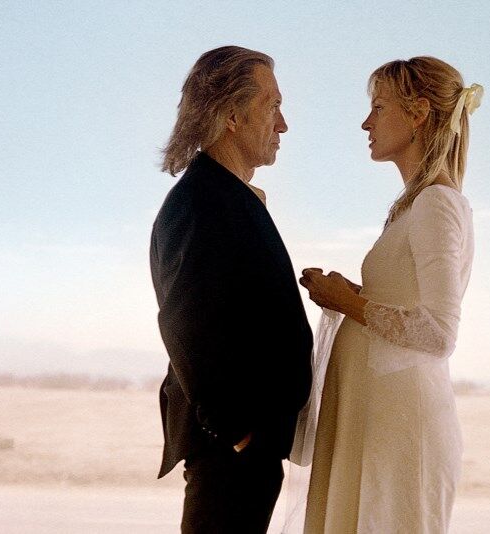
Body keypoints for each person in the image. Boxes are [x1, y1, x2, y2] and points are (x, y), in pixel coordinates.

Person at [298, 57, 483, 533]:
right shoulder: (415, 206)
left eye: (378, 108)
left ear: (418, 112)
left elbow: (439, 332)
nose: (367, 122)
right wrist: (351, 293)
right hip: (375, 412)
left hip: (400, 424)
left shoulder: (437, 204)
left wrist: (348, 302)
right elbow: (407, 306)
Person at [150, 45, 313, 533]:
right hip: (232, 449)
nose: (283, 124)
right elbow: (184, 322)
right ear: (233, 116)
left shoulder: (224, 196)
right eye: (273, 106)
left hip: (248, 448)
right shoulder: (201, 202)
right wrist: (236, 429)